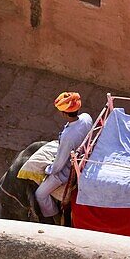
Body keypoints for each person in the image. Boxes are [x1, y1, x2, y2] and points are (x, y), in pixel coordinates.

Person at [35, 91, 93, 220]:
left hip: (67, 170)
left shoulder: (68, 136)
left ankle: (53, 216)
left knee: (40, 194)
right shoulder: (86, 117)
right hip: (84, 153)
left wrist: (49, 170)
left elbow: (59, 164)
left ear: (63, 113)